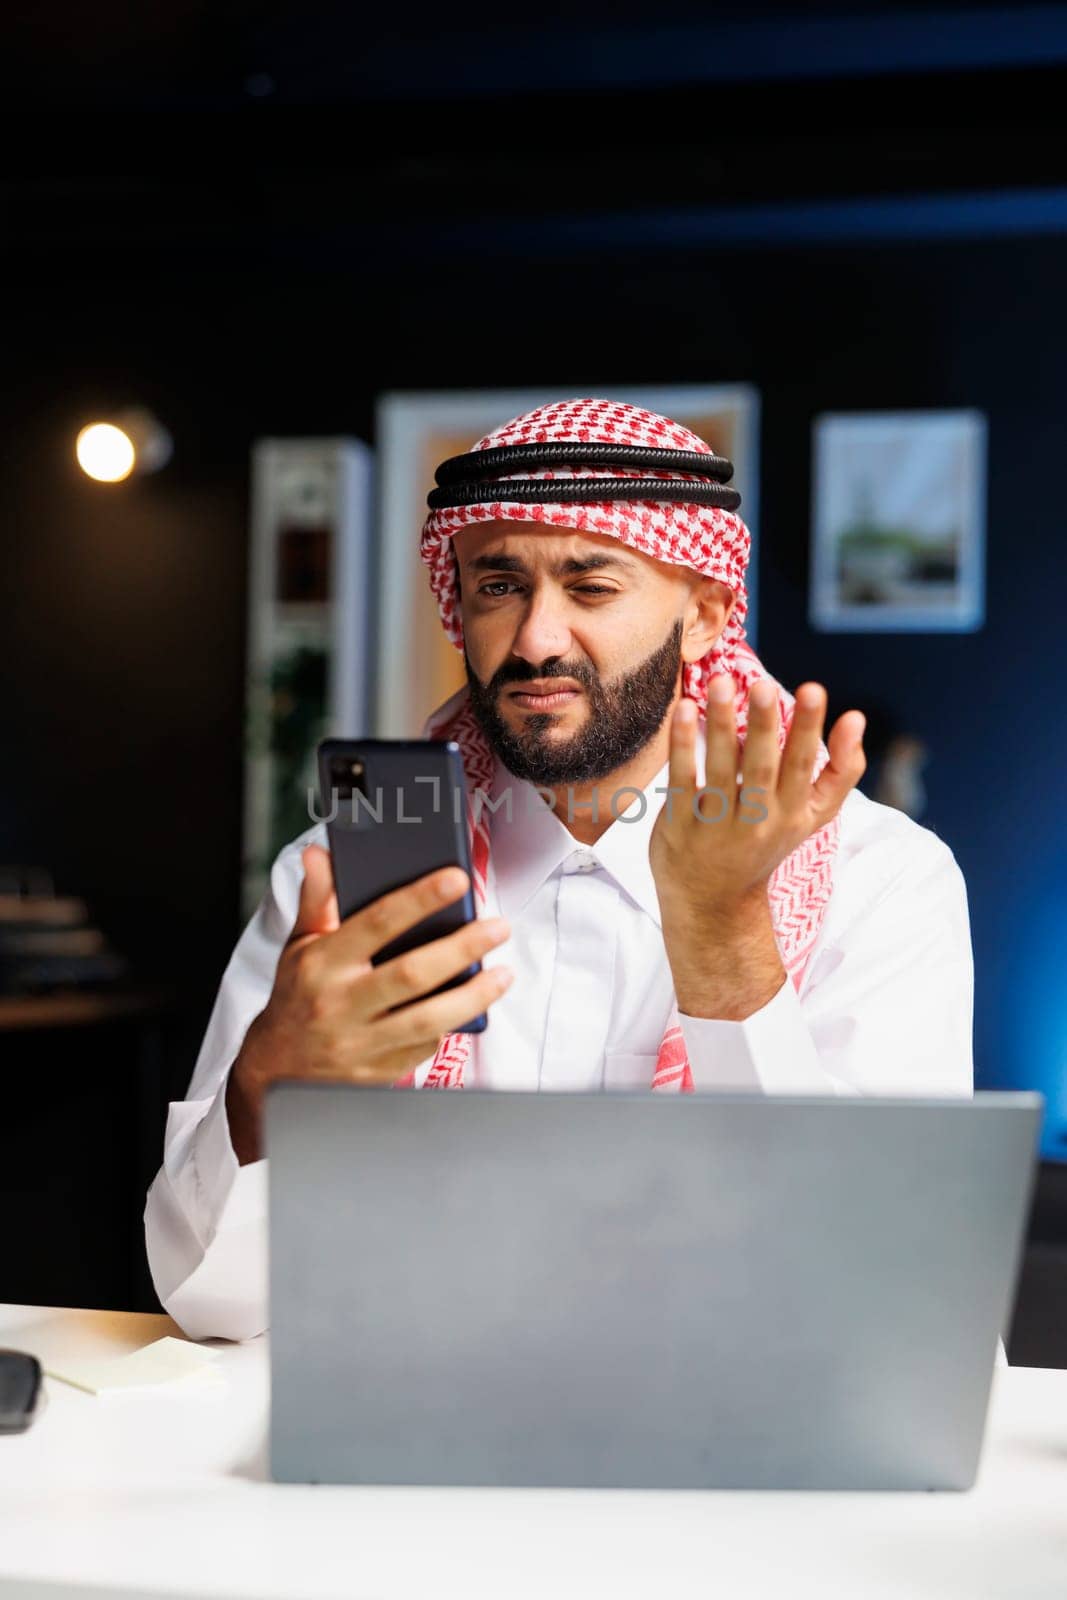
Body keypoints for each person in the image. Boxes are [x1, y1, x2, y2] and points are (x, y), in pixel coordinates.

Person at [145, 397, 974, 1341]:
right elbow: (205, 1300)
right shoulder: (345, 881)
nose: (536, 639)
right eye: (498, 586)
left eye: (590, 587)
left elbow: (881, 1303)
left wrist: (721, 932)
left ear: (703, 614)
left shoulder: (880, 877)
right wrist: (265, 1089)